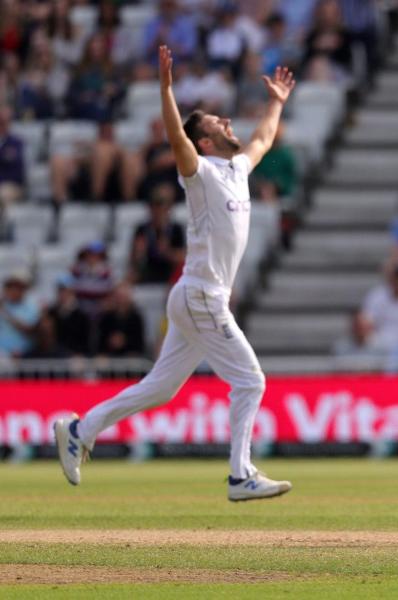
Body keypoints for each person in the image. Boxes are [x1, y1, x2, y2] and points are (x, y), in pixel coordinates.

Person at [54, 46, 296, 501]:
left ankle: (80, 430)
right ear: (204, 142)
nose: (228, 124)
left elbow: (263, 138)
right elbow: (176, 138)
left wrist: (277, 103)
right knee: (251, 380)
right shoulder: (200, 172)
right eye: (218, 125)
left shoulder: (238, 169)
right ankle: (240, 474)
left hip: (198, 296)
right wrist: (166, 91)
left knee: (161, 388)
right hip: (201, 295)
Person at [96, 283, 146, 357]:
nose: (121, 300)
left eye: (124, 296)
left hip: (130, 354)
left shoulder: (136, 318)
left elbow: (139, 342)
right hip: (109, 355)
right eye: (119, 296)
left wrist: (125, 341)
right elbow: (100, 341)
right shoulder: (106, 317)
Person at [0, 271, 40, 359]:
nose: (13, 290)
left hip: (25, 357)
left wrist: (6, 313)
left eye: (17, 287)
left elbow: (30, 330)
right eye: (10, 287)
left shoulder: (32, 306)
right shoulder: (2, 304)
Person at [0, 105, 25, 203]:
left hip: (11, 184)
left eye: (3, 122)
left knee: (2, 193)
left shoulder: (16, 142)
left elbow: (16, 166)